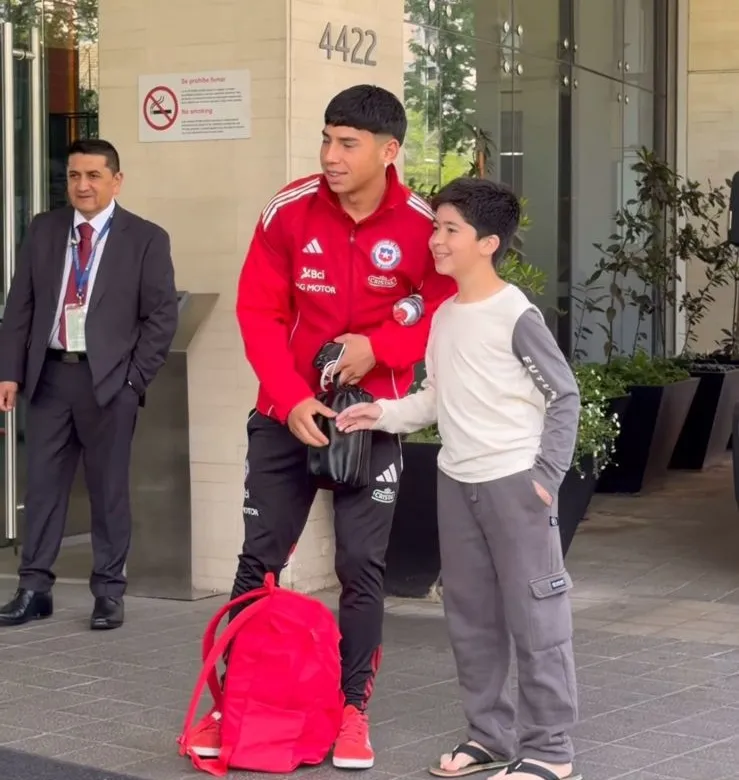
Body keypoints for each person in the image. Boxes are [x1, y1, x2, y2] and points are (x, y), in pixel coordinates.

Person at [187, 85, 456, 767]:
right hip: (288, 415)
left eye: (348, 144)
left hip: (373, 419)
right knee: (260, 561)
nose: (330, 156)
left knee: (361, 568)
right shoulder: (288, 209)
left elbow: (443, 305)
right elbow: (259, 312)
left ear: (388, 151)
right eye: (326, 140)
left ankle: (351, 711)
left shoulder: (423, 226)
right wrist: (288, 398)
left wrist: (380, 349)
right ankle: (230, 703)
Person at [336, 177, 582, 780]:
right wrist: (380, 413)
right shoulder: (444, 316)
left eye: (451, 230)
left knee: (536, 620)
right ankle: (489, 738)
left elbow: (564, 396)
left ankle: (550, 751)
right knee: (471, 621)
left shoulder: (515, 314)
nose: (436, 240)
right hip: (457, 483)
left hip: (515, 485)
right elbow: (436, 398)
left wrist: (546, 478)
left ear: (488, 243)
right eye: (435, 226)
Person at [0, 139, 178, 631]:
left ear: (116, 181)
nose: (82, 185)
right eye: (74, 175)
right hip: (50, 377)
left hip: (109, 382)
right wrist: (9, 371)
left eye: (94, 175)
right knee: (42, 487)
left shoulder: (145, 238)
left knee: (108, 490)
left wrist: (132, 380)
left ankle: (108, 592)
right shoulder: (45, 229)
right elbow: (20, 305)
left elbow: (161, 317)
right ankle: (34, 588)